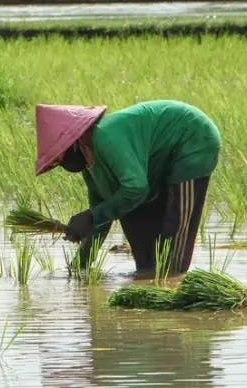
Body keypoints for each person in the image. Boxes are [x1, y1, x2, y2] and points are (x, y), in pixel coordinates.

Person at [34, 100, 222, 277]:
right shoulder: (90, 165)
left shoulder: (105, 136)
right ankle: (151, 288)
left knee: (174, 234)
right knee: (145, 257)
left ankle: (173, 284)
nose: (60, 163)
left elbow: (136, 188)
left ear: (74, 141)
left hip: (191, 139)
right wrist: (78, 266)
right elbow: (102, 218)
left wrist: (92, 216)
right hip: (153, 168)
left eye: (59, 156)